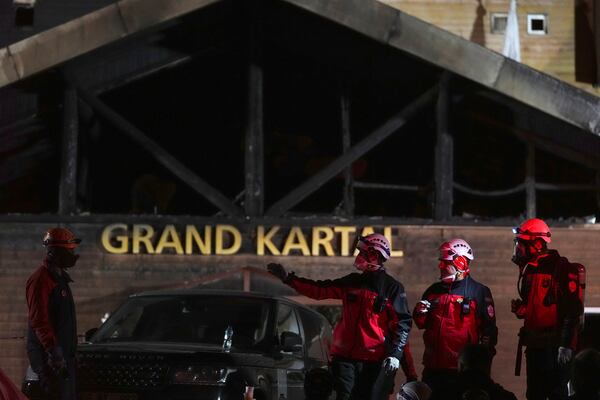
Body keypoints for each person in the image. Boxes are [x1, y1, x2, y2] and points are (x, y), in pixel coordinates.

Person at [267, 233, 412, 400]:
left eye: (363, 252)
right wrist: (289, 279)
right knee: (344, 396)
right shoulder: (351, 282)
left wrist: (395, 354)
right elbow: (319, 290)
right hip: (344, 358)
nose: (359, 256)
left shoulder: (392, 288)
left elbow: (403, 323)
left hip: (374, 361)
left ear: (375, 255)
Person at [413, 239, 497, 400]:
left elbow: (490, 331)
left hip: (462, 371)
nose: (440, 266)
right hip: (433, 370)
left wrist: (481, 368)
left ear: (460, 262)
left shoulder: (479, 292)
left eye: (445, 263)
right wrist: (420, 313)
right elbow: (421, 324)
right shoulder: (432, 291)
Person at [510, 218, 584, 400]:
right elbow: (536, 306)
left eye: (522, 242)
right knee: (534, 394)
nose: (518, 247)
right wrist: (522, 309)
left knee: (557, 394)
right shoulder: (530, 269)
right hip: (535, 346)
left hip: (554, 350)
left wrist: (565, 345)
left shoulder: (561, 269)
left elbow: (572, 308)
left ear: (536, 243)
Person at [26, 228, 82, 400]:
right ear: (54, 252)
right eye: (69, 250)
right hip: (51, 363)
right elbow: (39, 321)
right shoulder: (41, 281)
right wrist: (55, 354)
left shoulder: (60, 279)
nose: (73, 254)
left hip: (64, 361)